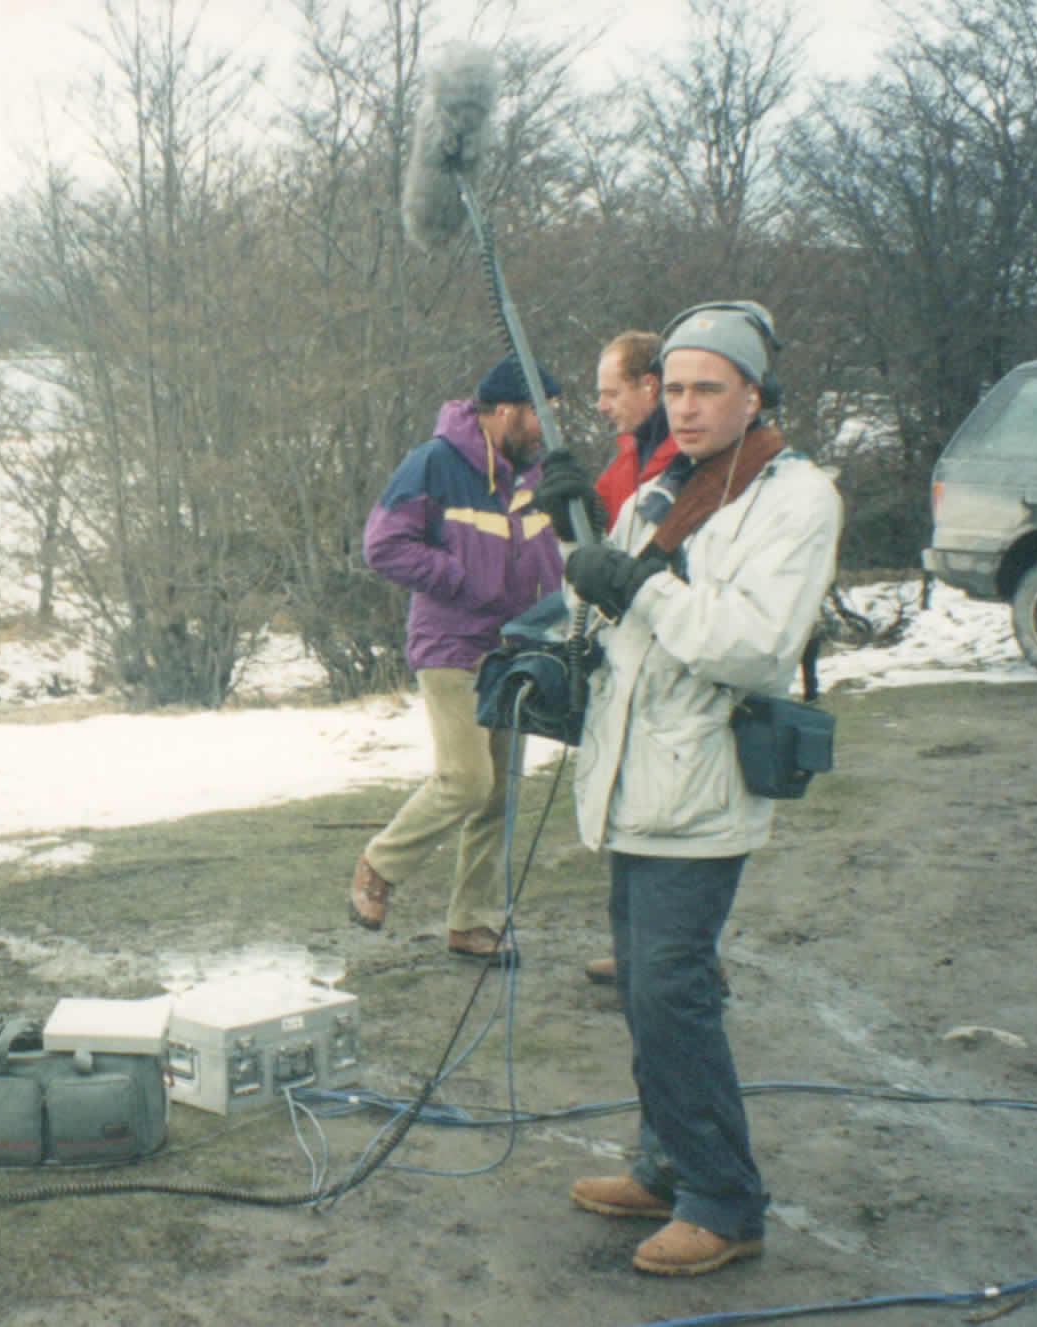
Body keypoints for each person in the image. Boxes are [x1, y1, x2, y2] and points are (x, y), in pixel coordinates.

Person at [560, 303, 841, 1276]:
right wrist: (580, 531)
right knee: (644, 989)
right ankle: (665, 1160)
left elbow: (754, 647)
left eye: (704, 387)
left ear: (750, 393)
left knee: (670, 992)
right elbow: (600, 611)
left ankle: (722, 1199)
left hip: (703, 780)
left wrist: (634, 585)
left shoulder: (794, 499)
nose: (681, 406)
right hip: (629, 778)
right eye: (672, 386)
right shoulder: (656, 488)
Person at [349, 355, 566, 958]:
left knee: (498, 795)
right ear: (505, 411)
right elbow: (384, 545)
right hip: (451, 645)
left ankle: (472, 922)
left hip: (515, 648)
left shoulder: (533, 474)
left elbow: (547, 550)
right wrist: (459, 576)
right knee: (467, 782)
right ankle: (378, 866)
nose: (548, 429)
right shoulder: (435, 463)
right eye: (539, 415)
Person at [536, 329, 687, 987]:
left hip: (674, 659)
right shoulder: (632, 458)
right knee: (627, 804)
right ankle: (638, 951)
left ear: (648, 387)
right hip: (629, 658)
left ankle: (682, 958)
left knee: (672, 819)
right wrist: (574, 516)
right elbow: (603, 547)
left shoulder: (687, 463)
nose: (600, 405)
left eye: (609, 391)